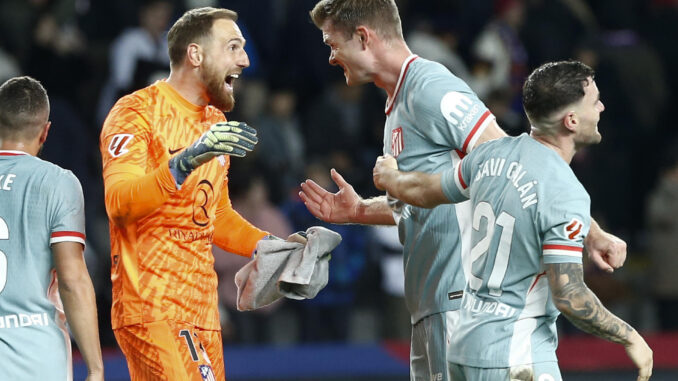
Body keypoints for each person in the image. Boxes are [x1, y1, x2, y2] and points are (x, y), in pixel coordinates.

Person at [301, 1, 627, 380]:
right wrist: (358, 211)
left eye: (331, 44)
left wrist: (592, 233)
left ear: (363, 37)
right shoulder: (397, 104)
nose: (329, 57)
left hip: (463, 305)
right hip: (431, 306)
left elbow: (518, 165)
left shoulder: (430, 88)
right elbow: (425, 200)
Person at [372, 60, 653, 381]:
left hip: (463, 344)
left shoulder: (490, 154)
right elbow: (570, 295)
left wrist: (390, 178)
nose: (602, 107)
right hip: (517, 355)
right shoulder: (565, 191)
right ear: (572, 120)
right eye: (595, 101)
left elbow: (425, 190)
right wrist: (629, 336)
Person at [100, 7, 303, 381]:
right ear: (196, 55)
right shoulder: (135, 113)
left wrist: (270, 246)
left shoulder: (214, 122)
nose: (244, 59)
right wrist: (185, 161)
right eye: (233, 47)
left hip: (202, 309)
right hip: (152, 304)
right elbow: (119, 203)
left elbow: (216, 216)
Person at [0, 76, 104, 380]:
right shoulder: (58, 183)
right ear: (45, 131)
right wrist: (96, 368)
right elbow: (72, 280)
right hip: (35, 353)